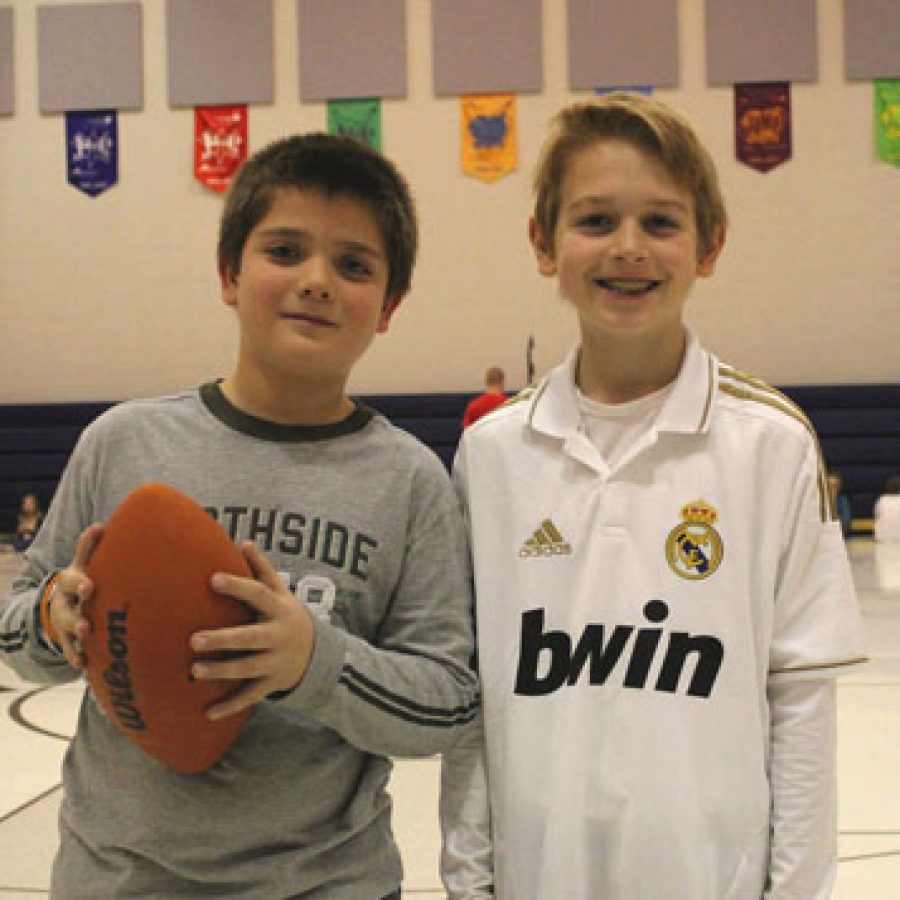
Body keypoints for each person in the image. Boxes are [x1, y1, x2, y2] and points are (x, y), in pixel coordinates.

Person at [0, 133, 479, 898]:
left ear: (388, 307)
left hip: (325, 882)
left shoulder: (410, 483)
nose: (317, 281)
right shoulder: (123, 443)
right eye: (285, 250)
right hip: (118, 880)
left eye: (354, 265)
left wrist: (309, 662)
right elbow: (20, 632)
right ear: (229, 274)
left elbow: (448, 702)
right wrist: (57, 620)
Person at [439, 93, 866, 899]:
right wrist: (470, 883)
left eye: (661, 223)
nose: (628, 248)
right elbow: (474, 704)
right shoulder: (492, 454)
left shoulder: (771, 443)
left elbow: (802, 704)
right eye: (595, 220)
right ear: (543, 241)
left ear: (709, 245)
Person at [826, 469, 853, 538]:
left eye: (835, 486)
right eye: (830, 486)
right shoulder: (818, 502)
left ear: (839, 487)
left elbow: (846, 523)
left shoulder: (842, 500)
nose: (832, 489)